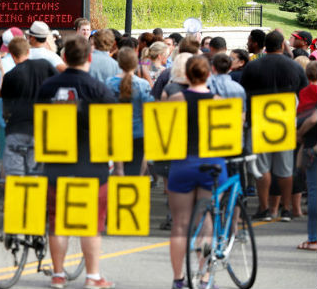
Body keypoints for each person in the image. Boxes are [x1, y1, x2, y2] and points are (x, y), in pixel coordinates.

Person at [37, 36, 116, 289]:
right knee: (91, 222)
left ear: (65, 58)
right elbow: (112, 126)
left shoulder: (48, 87)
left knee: (57, 220)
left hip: (57, 161)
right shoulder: (98, 89)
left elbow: (39, 122)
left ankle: (58, 275)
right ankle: (93, 276)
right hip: (91, 163)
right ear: (89, 58)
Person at [167, 55, 227, 289]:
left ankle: (178, 278)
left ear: (187, 75)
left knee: (180, 224)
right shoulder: (220, 101)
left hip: (183, 163)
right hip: (212, 164)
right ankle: (204, 276)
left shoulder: (175, 100)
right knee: (208, 221)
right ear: (209, 73)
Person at [241, 30, 309, 222]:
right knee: (285, 168)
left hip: (259, 119)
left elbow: (244, 93)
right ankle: (285, 208)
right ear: (281, 45)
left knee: (262, 168)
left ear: (265, 46)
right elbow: (303, 96)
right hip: (285, 121)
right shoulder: (294, 67)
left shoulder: (253, 66)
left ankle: (265, 208)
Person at [1, 37, 57, 176]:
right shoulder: (44, 65)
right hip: (42, 129)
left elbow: (6, 108)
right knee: (36, 175)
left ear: (12, 54)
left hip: (17, 129)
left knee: (15, 176)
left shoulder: (10, 76)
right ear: (28, 51)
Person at [106, 47, 154, 175]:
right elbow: (147, 110)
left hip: (116, 131)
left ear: (119, 63)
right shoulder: (143, 85)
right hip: (138, 132)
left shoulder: (109, 83)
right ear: (135, 63)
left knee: (119, 169)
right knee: (137, 169)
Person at [296, 61, 317, 251]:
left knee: (314, 191)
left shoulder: (306, 92)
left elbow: (312, 118)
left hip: (312, 145)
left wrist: (300, 134)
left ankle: (313, 238)